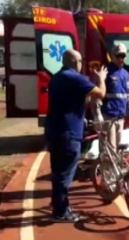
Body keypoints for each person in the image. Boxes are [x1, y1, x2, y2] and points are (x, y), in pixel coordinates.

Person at [46, 49, 107, 223]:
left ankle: (58, 203)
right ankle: (61, 212)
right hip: (68, 133)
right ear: (76, 62)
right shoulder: (74, 78)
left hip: (54, 131)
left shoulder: (57, 77)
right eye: (81, 61)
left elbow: (76, 99)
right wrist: (101, 79)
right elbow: (100, 94)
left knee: (58, 172)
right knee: (66, 173)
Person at [96, 43, 129, 152]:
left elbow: (128, 96)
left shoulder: (125, 74)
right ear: (112, 56)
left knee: (119, 149)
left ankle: (116, 169)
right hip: (108, 117)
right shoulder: (105, 71)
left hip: (120, 118)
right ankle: (106, 169)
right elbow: (97, 94)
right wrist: (98, 114)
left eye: (123, 56)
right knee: (109, 150)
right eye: (118, 56)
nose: (121, 59)